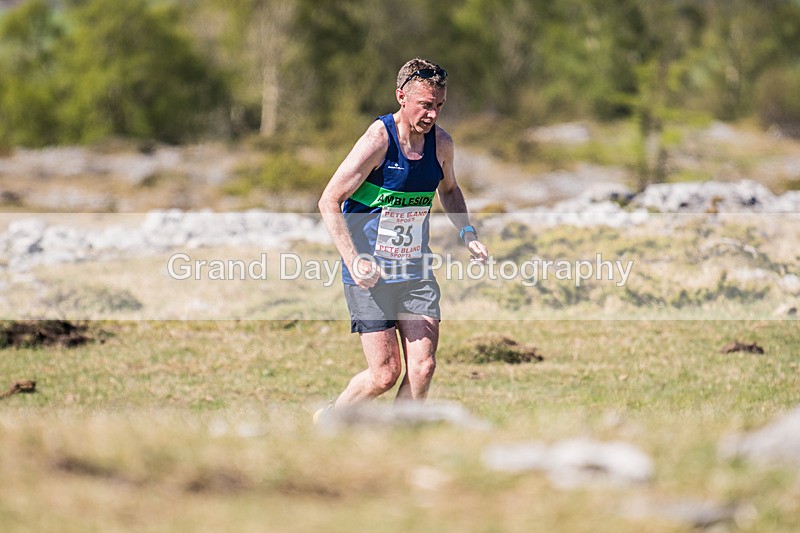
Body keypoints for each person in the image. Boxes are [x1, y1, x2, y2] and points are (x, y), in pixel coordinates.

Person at [316, 57, 488, 422]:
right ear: (401, 97)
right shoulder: (379, 140)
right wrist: (352, 260)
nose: (432, 114)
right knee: (384, 374)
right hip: (370, 274)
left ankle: (401, 436)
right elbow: (329, 200)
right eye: (426, 104)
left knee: (422, 367)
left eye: (439, 105)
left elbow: (451, 189)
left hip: (415, 271)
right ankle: (331, 420)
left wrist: (467, 233)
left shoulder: (441, 144)